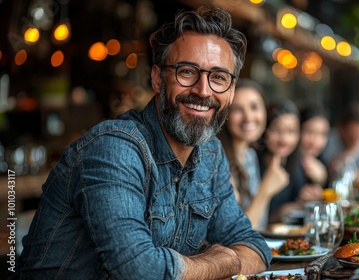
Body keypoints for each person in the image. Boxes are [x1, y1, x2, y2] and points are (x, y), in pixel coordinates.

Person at [12, 8, 271, 280]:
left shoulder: (210, 154)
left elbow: (255, 247)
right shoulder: (114, 148)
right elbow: (139, 270)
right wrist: (224, 263)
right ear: (158, 78)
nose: (203, 91)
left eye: (218, 77)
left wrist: (212, 262)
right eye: (187, 72)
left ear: (230, 91)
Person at [218, 79, 289, 229]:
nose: (248, 117)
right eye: (237, 109)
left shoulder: (249, 155)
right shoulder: (219, 162)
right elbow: (235, 233)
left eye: (254, 107)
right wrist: (266, 189)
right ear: (225, 115)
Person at [257, 100, 314, 224]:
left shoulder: (296, 163)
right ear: (264, 129)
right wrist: (280, 212)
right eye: (277, 130)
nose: (284, 139)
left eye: (291, 131)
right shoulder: (252, 164)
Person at [298, 104, 330, 201]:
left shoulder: (321, 163)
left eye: (322, 134)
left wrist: (321, 180)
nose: (315, 141)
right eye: (309, 132)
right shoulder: (284, 164)